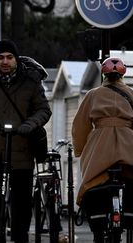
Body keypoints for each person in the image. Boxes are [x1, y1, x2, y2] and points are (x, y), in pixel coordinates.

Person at [0, 39, 51, 243]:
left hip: (22, 150)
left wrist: (30, 125)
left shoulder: (31, 82)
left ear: (16, 59)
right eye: (1, 58)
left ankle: (20, 237)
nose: (5, 61)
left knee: (22, 202)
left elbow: (44, 109)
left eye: (9, 57)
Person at [72, 57, 133, 242]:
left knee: (93, 182)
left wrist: (80, 149)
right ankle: (130, 215)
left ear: (103, 74)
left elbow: (80, 126)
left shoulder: (93, 95)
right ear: (123, 74)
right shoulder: (131, 94)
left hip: (99, 145)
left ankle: (98, 225)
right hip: (128, 145)